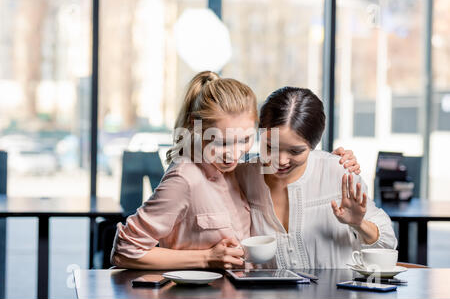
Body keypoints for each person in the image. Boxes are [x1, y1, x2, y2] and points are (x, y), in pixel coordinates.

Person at [111, 71, 360, 270]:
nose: (234, 153)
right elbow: (124, 251)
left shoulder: (235, 170)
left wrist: (333, 161)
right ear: (195, 129)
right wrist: (206, 258)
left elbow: (290, 149)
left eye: (244, 140)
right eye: (221, 142)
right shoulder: (184, 178)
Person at [235, 87, 397, 269]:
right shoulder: (242, 176)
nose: (280, 160)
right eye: (270, 147)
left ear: (314, 144)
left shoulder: (338, 173)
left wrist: (358, 224)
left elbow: (387, 244)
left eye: (295, 151)